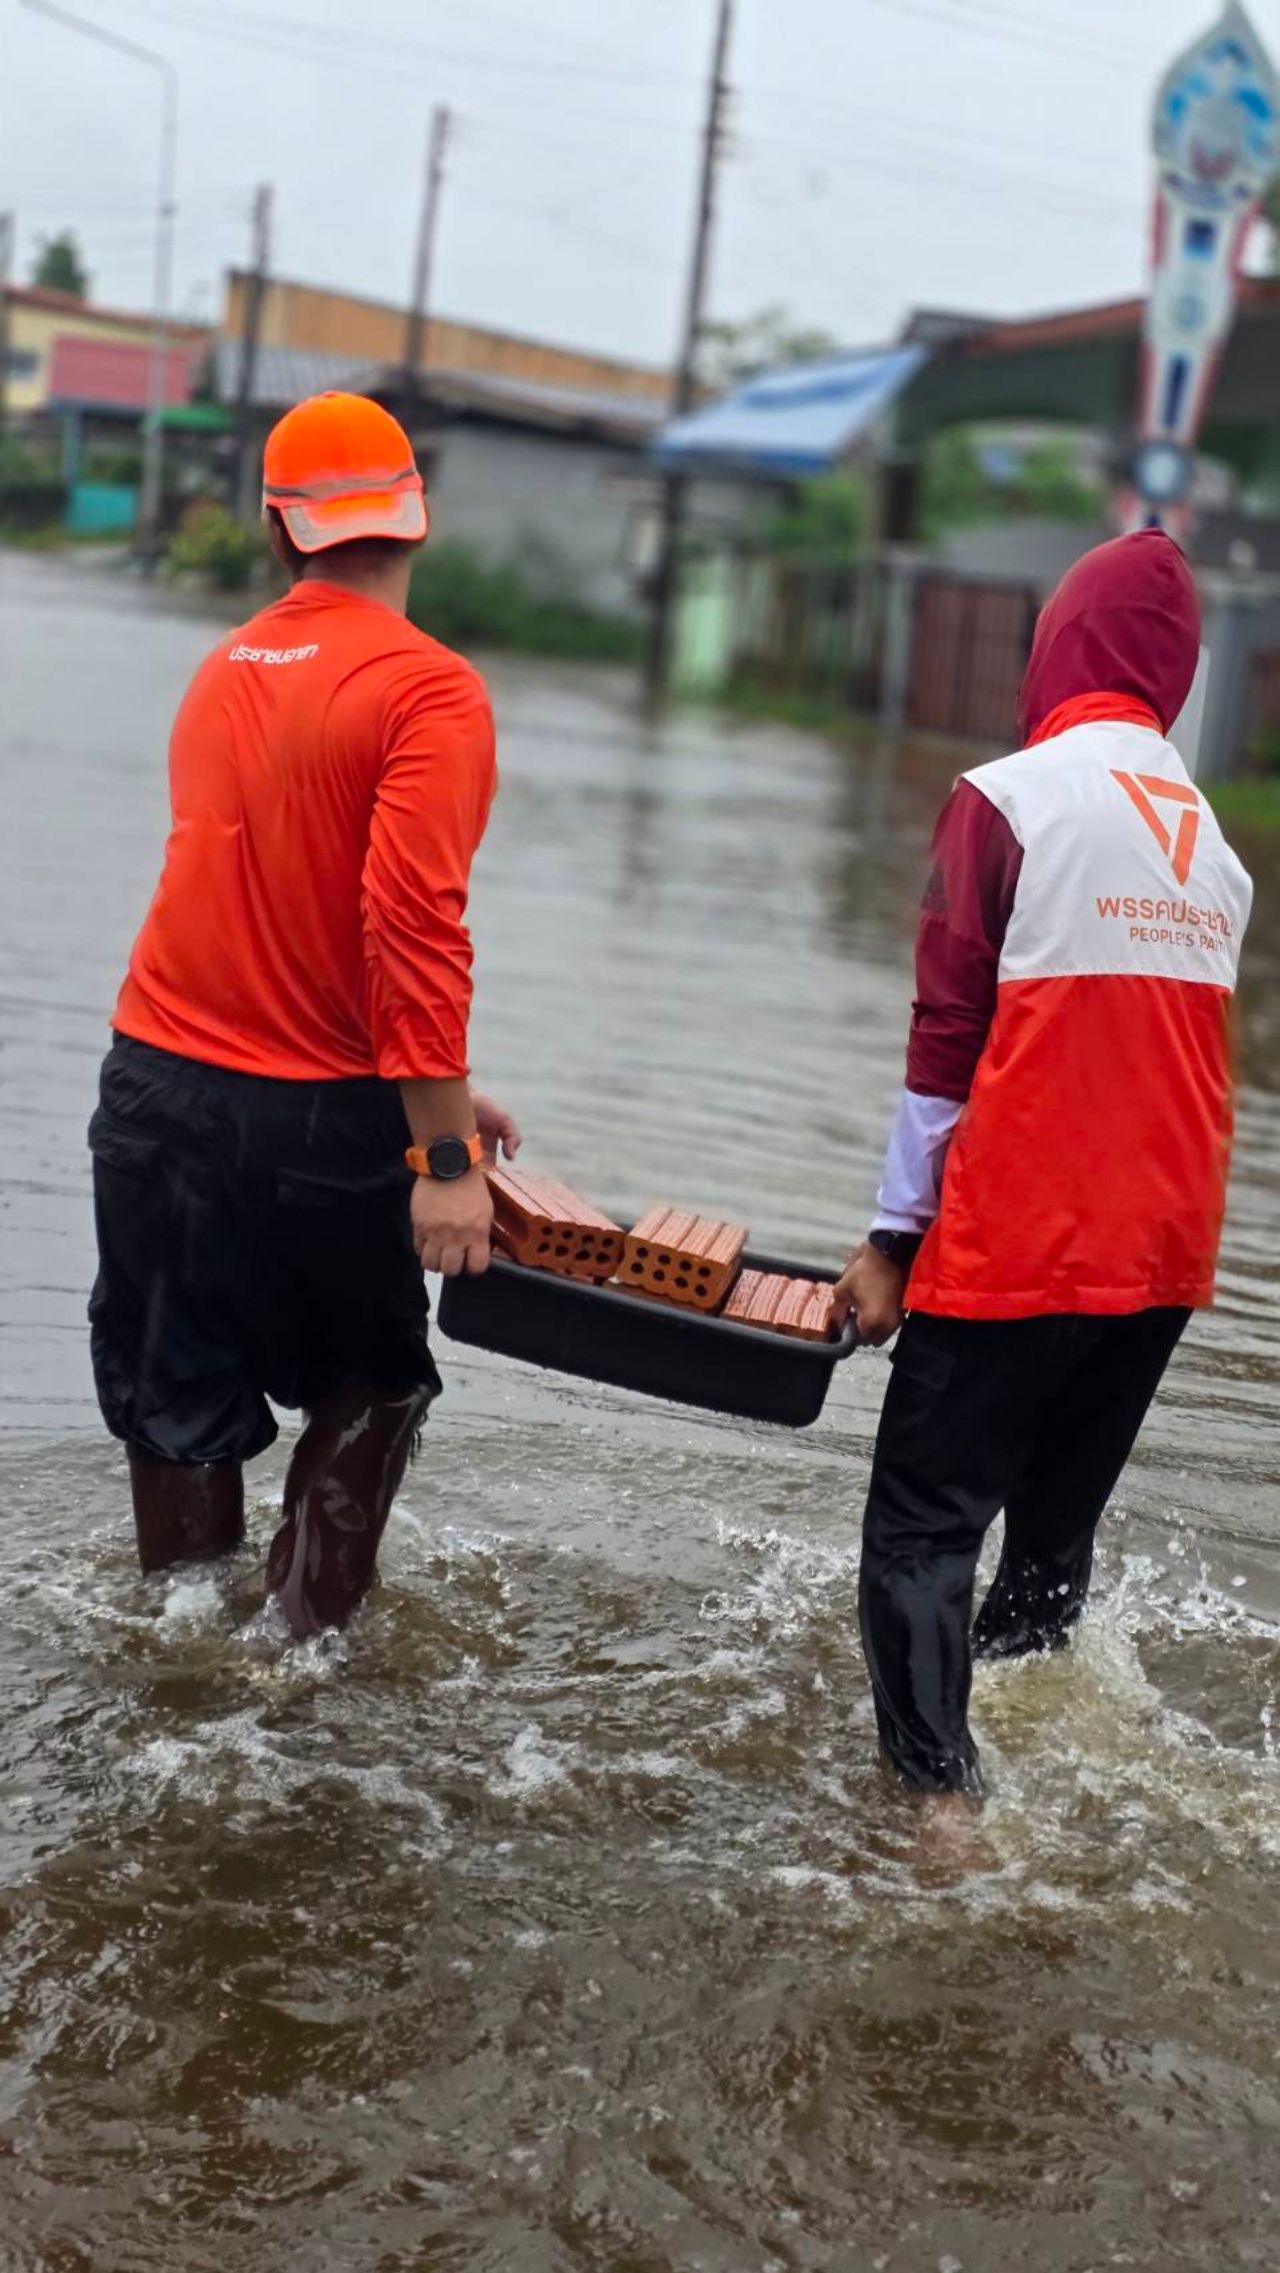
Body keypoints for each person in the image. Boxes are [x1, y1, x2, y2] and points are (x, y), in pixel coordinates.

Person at [832, 529, 1253, 1806]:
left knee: (921, 1530)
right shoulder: (1208, 840)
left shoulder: (1007, 797)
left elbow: (945, 1039)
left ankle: (939, 1813)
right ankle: (1034, 1753)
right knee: (1049, 1540)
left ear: (1058, 643)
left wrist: (892, 1242)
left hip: (1022, 1241)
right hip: (1160, 1259)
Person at [88, 391, 517, 1639]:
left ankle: (179, 1660)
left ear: (277, 527)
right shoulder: (429, 689)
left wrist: (433, 1089)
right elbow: (409, 925)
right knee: (374, 1379)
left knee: (175, 1396)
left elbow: (255, 908)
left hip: (152, 1088)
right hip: (317, 1122)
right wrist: (444, 1156)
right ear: (417, 518)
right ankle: (293, 1671)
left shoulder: (220, 669)